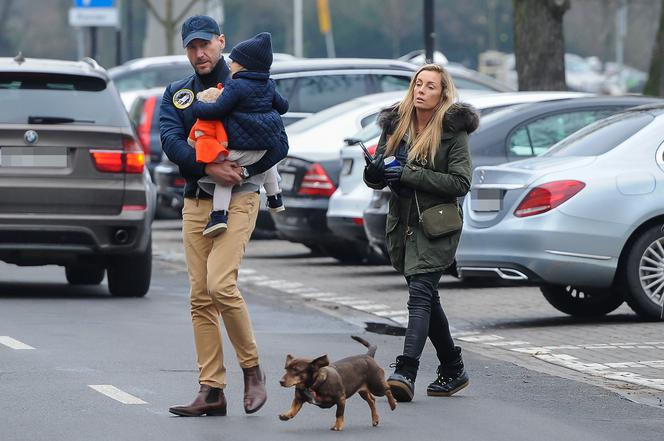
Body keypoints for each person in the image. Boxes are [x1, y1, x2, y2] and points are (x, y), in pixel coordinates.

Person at [160, 15, 287, 417]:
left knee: (220, 285)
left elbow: (279, 142)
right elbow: (170, 140)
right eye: (191, 47)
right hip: (196, 200)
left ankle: (252, 371)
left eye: (205, 45)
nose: (199, 53)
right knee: (200, 298)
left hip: (240, 198)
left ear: (221, 42)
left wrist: (245, 171)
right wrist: (206, 167)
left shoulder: (248, 82)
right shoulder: (178, 93)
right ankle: (212, 389)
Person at [363, 63, 479, 402]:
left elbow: (460, 183)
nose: (421, 90)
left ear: (442, 93)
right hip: (403, 225)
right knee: (427, 297)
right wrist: (374, 174)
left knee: (420, 296)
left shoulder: (452, 131)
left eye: (430, 86)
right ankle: (453, 368)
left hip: (437, 225)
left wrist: (410, 175)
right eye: (418, 83)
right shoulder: (395, 124)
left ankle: (406, 371)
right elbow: (382, 173)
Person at [190, 31, 288, 238]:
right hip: (264, 146)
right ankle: (275, 197)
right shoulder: (269, 84)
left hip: (240, 148)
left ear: (244, 65)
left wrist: (198, 107)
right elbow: (283, 106)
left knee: (227, 178)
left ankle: (218, 215)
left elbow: (218, 110)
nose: (229, 65)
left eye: (233, 62)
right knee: (269, 164)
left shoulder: (235, 86)